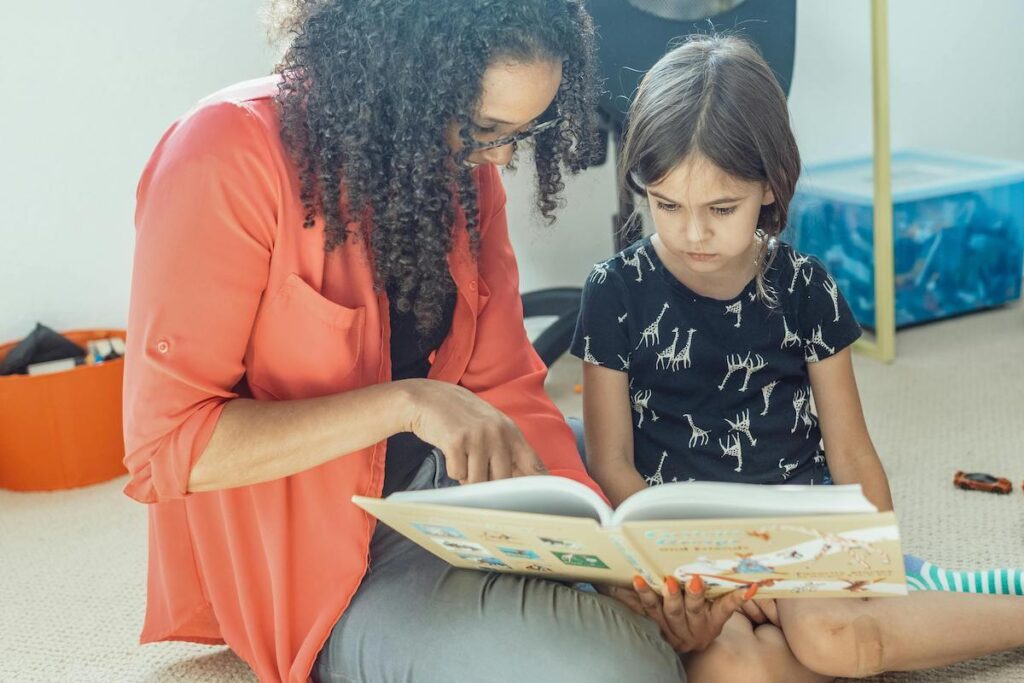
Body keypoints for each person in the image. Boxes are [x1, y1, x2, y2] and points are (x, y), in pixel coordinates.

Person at [123, 3, 750, 681]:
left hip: (459, 489)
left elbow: (507, 387)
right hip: (327, 558)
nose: (504, 157)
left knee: (699, 468)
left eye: (524, 131)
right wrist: (409, 403)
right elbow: (169, 447)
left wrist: (597, 560)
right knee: (621, 668)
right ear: (401, 76)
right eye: (486, 129)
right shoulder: (226, 152)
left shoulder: (464, 171)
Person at [571, 34, 1024, 682]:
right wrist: (675, 560)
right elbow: (610, 461)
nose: (692, 232)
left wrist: (873, 559)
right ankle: (910, 610)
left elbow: (851, 451)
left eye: (720, 208)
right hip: (688, 551)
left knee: (835, 636)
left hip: (796, 526)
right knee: (731, 668)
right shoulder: (612, 292)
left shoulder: (806, 286)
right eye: (667, 204)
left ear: (770, 186)